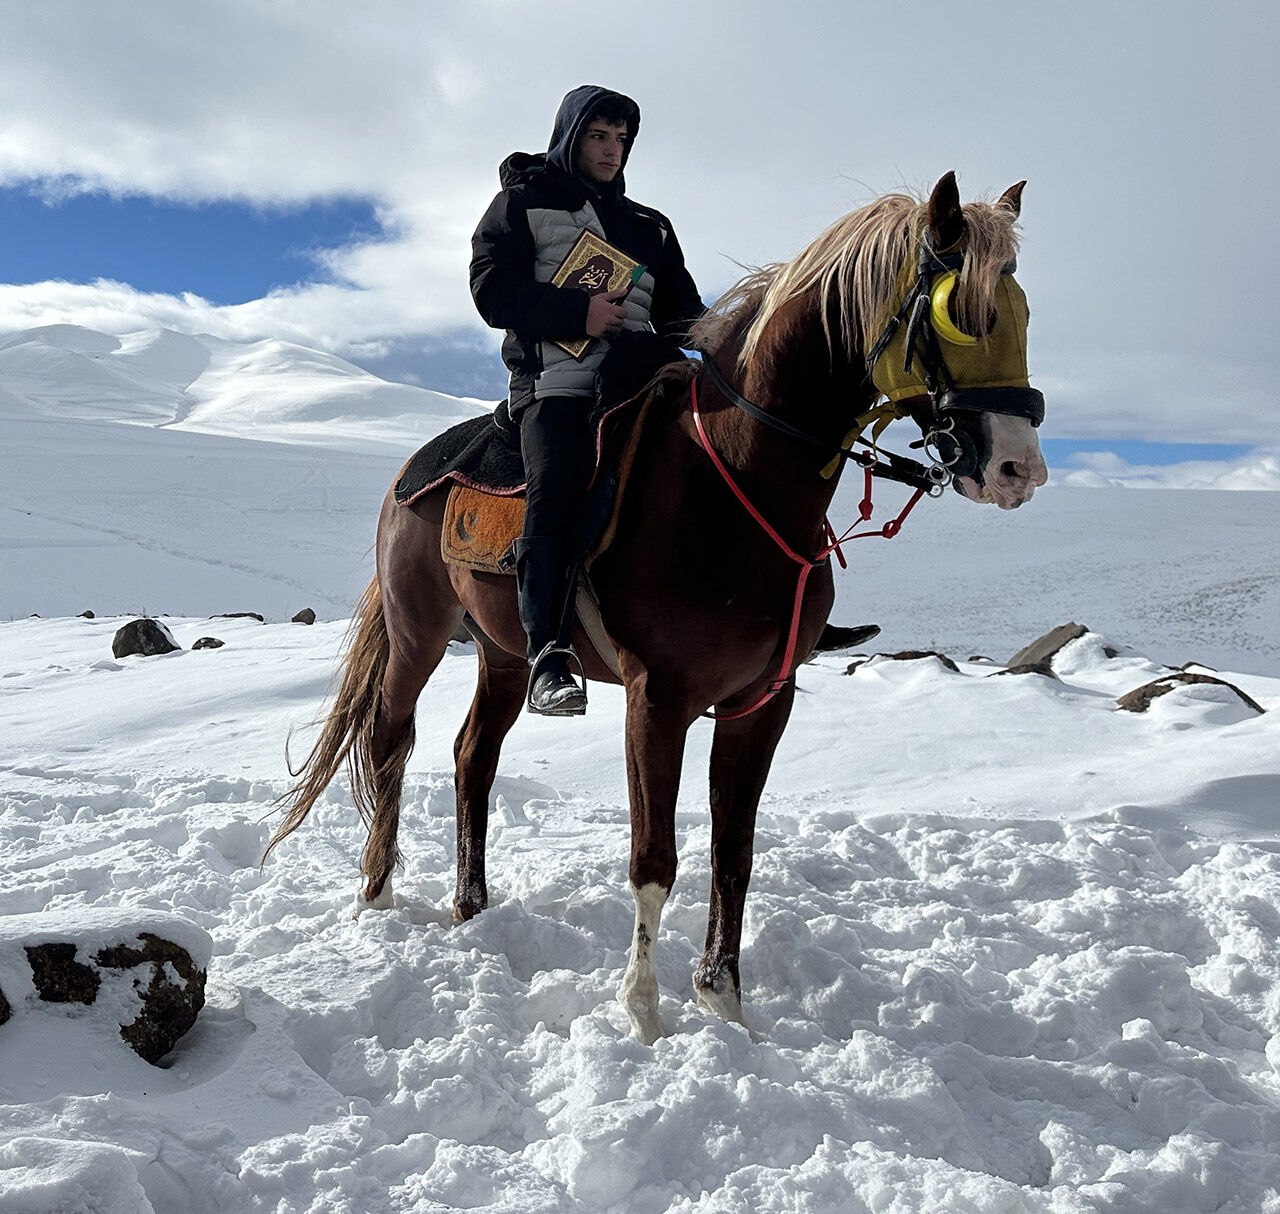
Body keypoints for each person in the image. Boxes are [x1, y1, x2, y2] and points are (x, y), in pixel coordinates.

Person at [470, 84, 704, 715]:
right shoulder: (521, 203)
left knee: (732, 458)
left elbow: (684, 313)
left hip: (641, 384)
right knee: (559, 488)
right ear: (572, 137)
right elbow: (492, 292)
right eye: (599, 136)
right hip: (556, 388)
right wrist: (580, 312)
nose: (613, 150)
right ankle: (547, 654)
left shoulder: (650, 226)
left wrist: (735, 338)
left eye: (622, 139)